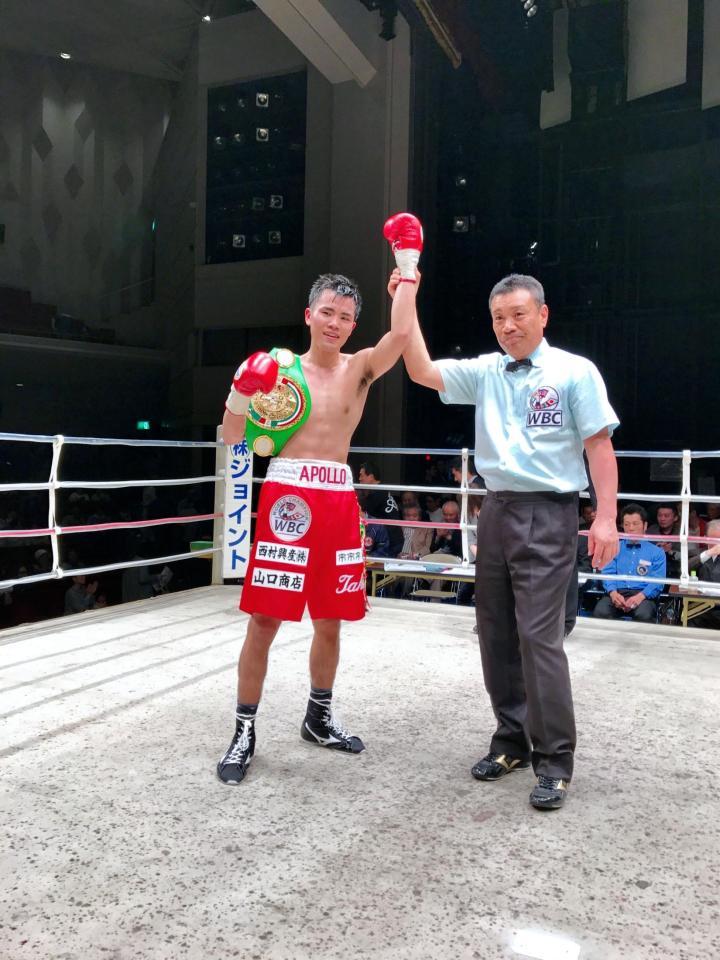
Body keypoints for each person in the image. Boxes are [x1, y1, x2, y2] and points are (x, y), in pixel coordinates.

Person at [398, 264, 619, 811]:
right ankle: (511, 740)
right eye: (499, 318)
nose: (508, 326)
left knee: (539, 638)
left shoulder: (574, 372)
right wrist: (407, 290)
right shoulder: (487, 372)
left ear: (542, 315)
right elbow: (422, 369)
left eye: (519, 315)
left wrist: (607, 516)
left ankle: (556, 759)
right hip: (495, 510)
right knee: (493, 631)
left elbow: (598, 447)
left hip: (550, 512)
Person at [216, 214, 421, 785]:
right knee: (264, 622)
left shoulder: (360, 370)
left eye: (346, 316)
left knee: (331, 621)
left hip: (337, 499)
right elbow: (235, 438)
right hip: (286, 499)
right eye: (327, 312)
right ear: (309, 315)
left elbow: (401, 338)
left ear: (354, 325)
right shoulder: (281, 375)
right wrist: (239, 390)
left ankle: (319, 716)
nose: (335, 323)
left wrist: (406, 269)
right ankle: (243, 731)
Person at [593, 504, 666, 622]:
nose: (631, 528)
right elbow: (607, 573)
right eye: (626, 524)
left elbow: (658, 582)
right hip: (617, 592)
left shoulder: (657, 552)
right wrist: (613, 593)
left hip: (643, 595)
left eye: (635, 524)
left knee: (644, 615)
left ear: (645, 525)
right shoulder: (614, 548)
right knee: (601, 612)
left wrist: (640, 597)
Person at [688, 518, 720, 629]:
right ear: (705, 539)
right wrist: (709, 553)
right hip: (699, 609)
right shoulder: (696, 554)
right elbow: (683, 570)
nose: (718, 544)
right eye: (714, 540)